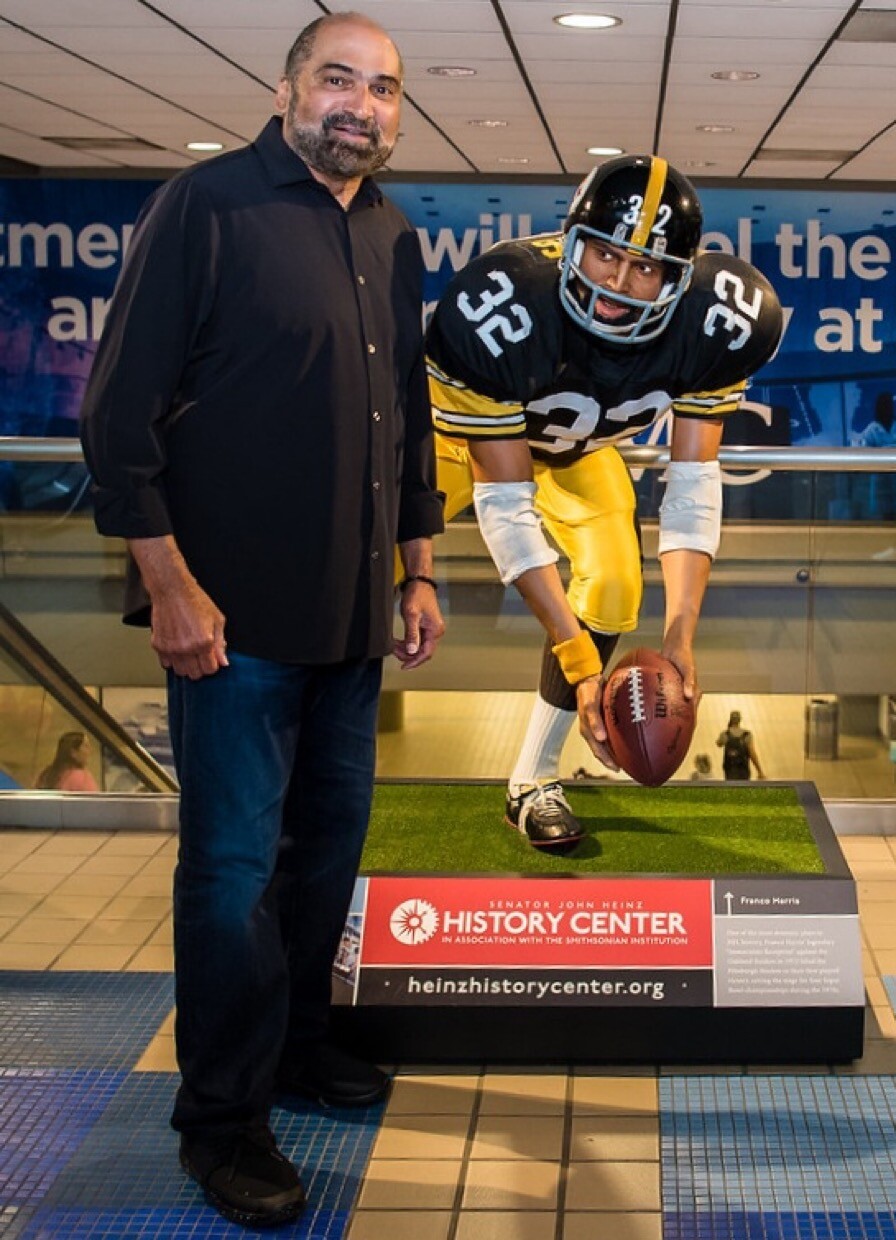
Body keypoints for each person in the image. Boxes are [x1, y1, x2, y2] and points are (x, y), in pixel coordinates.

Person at [80, 12, 444, 1230]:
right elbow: (117, 414)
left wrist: (419, 570)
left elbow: (406, 417)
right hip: (227, 624)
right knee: (230, 875)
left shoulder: (391, 233)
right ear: (287, 87)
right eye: (338, 79)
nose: (362, 104)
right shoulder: (206, 206)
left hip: (351, 620)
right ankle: (222, 1122)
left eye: (383, 88)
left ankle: (295, 1054)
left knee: (322, 862)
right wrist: (169, 585)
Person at [427, 155, 783, 853]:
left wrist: (680, 632)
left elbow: (691, 486)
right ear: (571, 243)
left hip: (576, 449)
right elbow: (506, 502)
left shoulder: (720, 321)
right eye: (604, 254)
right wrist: (576, 656)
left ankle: (531, 781)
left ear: (680, 276)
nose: (618, 283)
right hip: (454, 443)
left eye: (645, 267)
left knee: (617, 585)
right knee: (357, 560)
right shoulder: (508, 302)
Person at [35, 731, 99, 791]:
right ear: (73, 752)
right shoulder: (83, 778)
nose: (90, 751)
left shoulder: (46, 774)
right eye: (86, 746)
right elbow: (96, 801)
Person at [716, 710, 765, 780]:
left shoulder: (725, 734)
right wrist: (760, 771)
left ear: (730, 719)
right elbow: (752, 754)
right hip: (743, 769)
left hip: (730, 769)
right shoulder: (747, 734)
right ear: (740, 720)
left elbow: (718, 744)